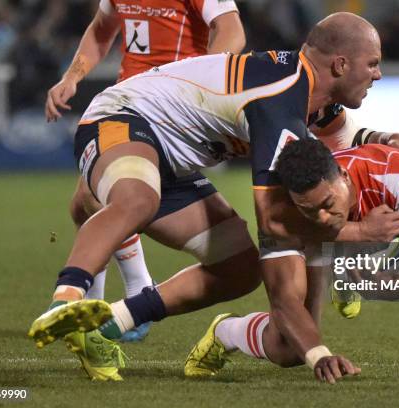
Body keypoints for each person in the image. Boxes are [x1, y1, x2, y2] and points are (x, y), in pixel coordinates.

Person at [27, 12, 399, 381]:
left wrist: (387, 143)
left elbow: (343, 133)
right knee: (139, 200)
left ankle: (106, 326)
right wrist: (355, 236)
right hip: (119, 120)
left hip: (170, 162)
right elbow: (274, 225)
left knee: (240, 268)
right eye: (372, 63)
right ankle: (66, 301)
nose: (378, 73)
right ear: (340, 64)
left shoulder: (304, 91)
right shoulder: (278, 103)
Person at [185, 139, 399, 384]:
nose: (323, 217)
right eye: (310, 211)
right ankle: (225, 331)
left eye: (327, 204)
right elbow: (284, 301)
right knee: (289, 351)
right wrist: (317, 353)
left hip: (350, 234)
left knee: (388, 230)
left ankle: (349, 267)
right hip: (310, 245)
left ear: (344, 175)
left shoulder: (388, 171)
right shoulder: (279, 213)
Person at [43, 0, 246, 342]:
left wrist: (204, 83)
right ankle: (101, 306)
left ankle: (127, 290)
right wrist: (72, 76)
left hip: (171, 114)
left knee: (98, 197)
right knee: (84, 203)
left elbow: (231, 32)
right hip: (128, 105)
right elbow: (101, 29)